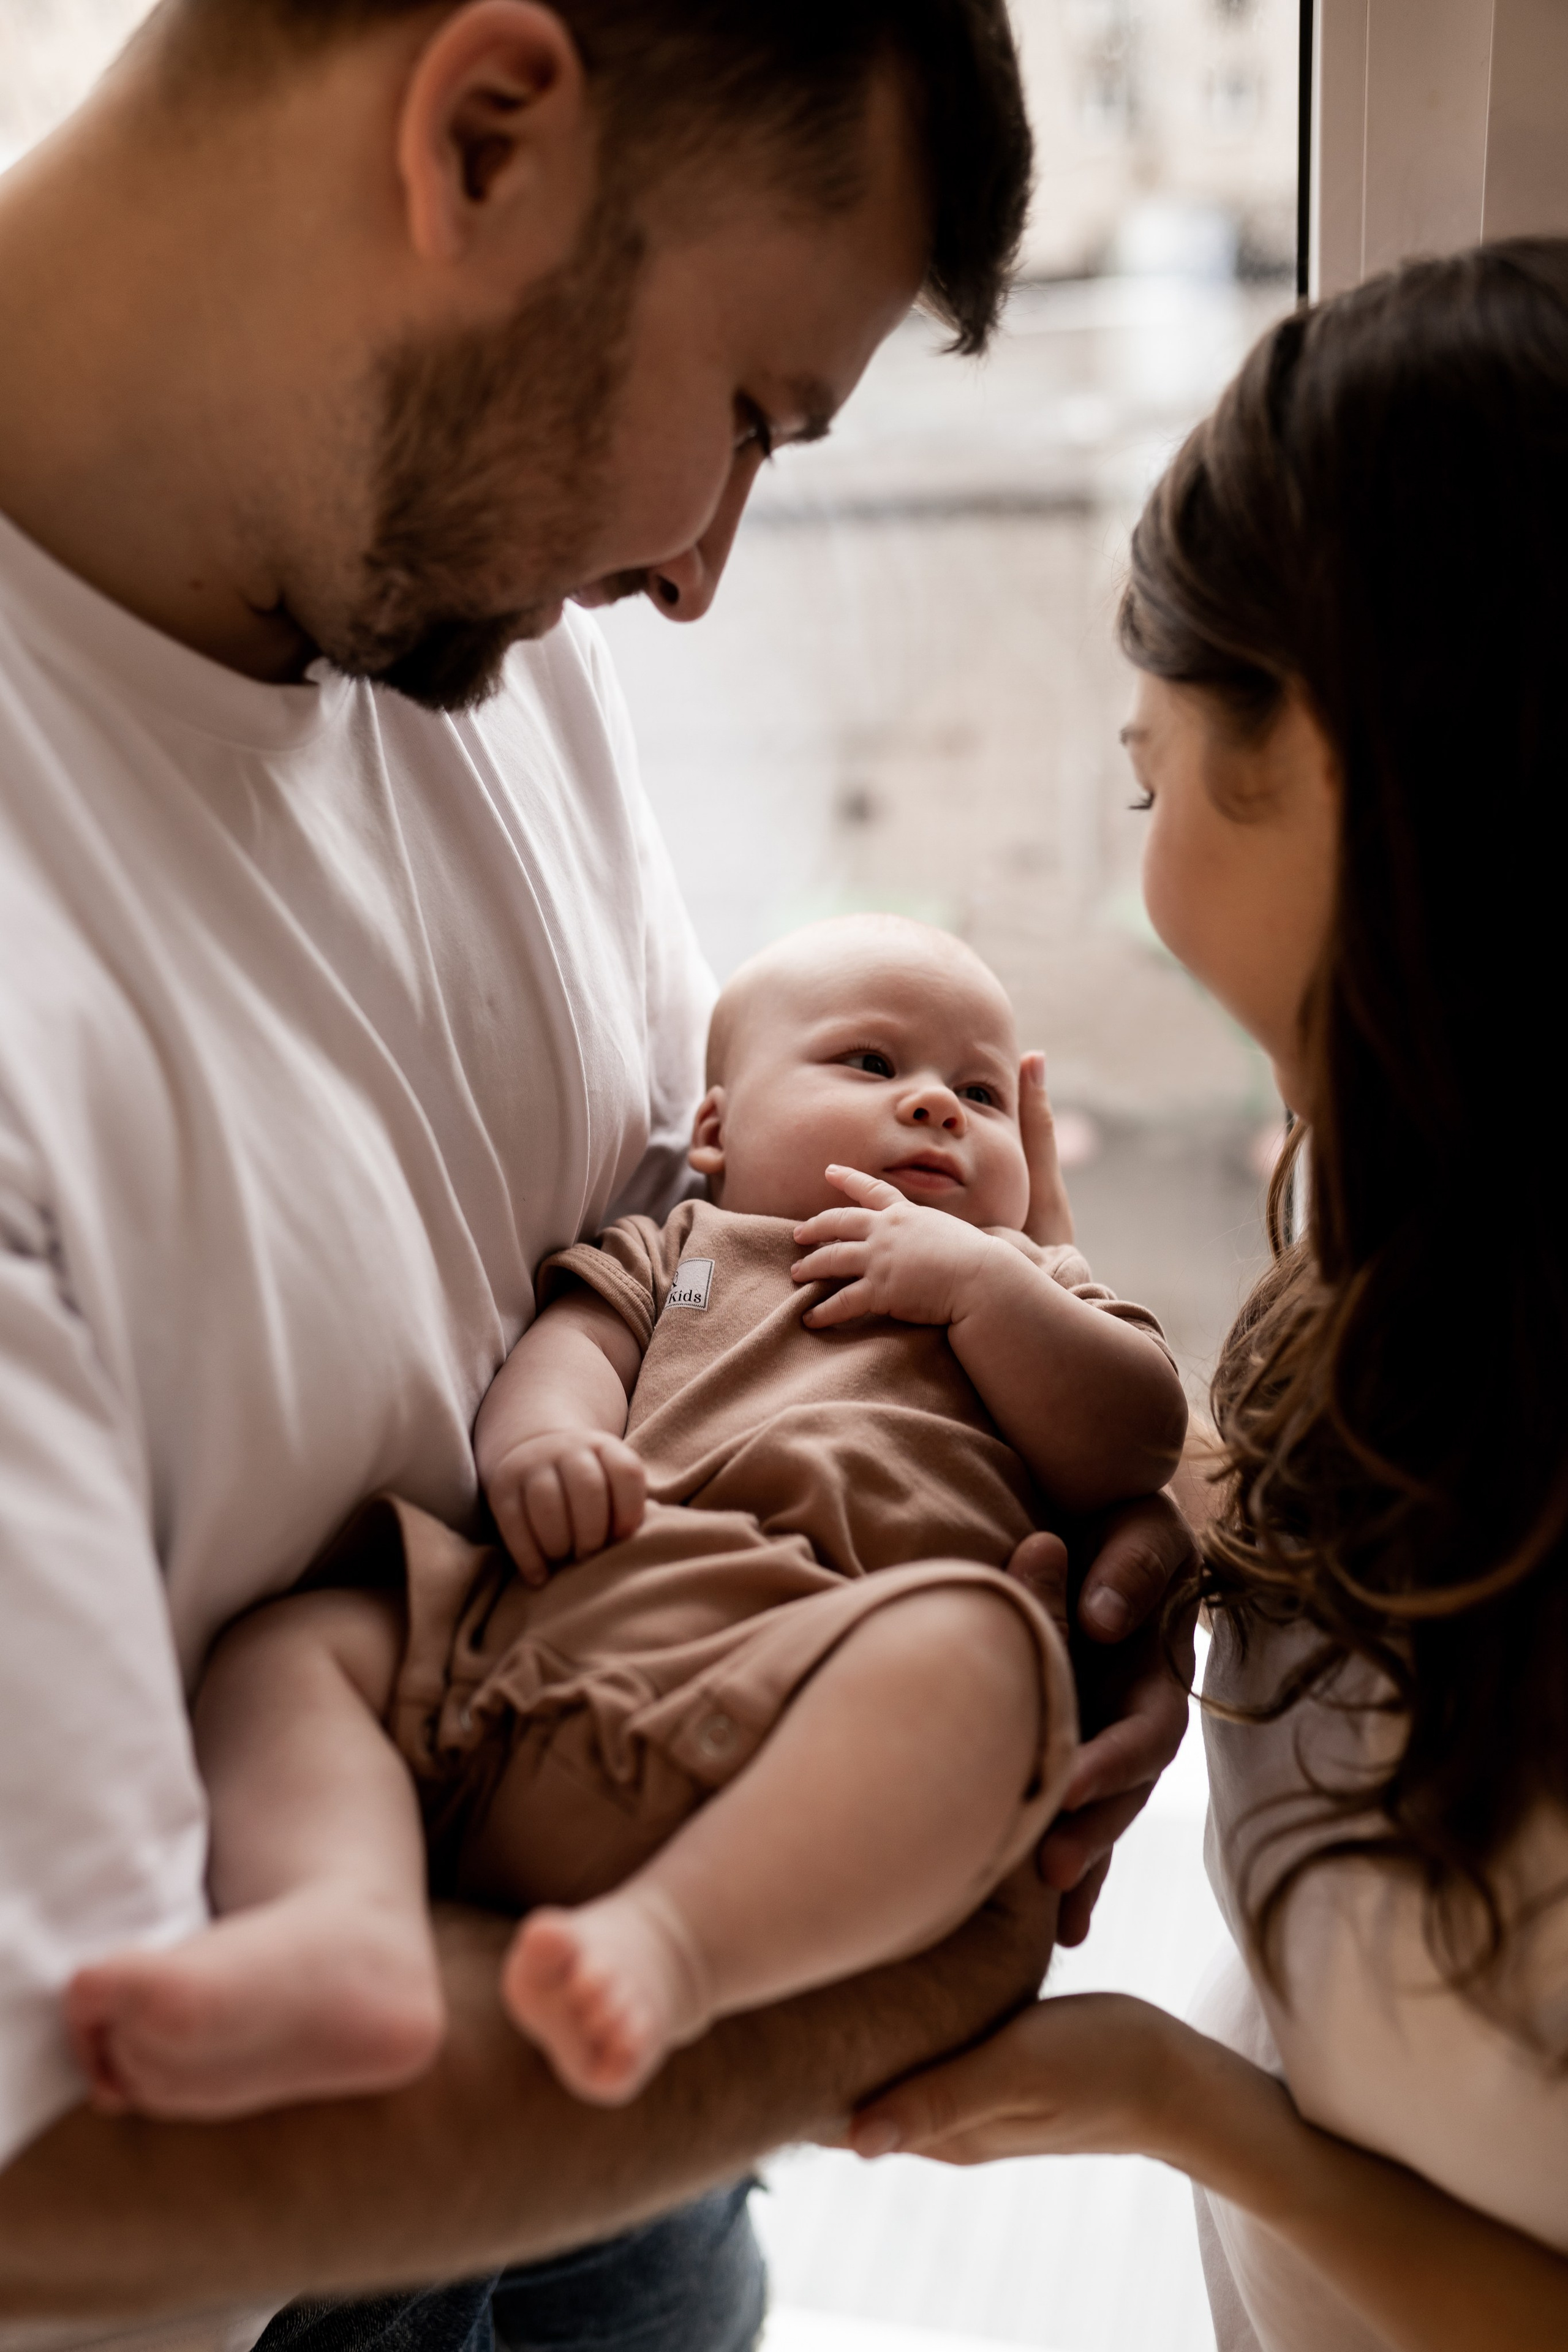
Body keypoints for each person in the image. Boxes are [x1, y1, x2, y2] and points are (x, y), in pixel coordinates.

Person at [0, 3, 1196, 2345]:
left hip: (632, 2189)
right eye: (748, 415)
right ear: (486, 136)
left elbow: (683, 1213)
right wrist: (930, 1921)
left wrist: (1079, 1533)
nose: (698, 580)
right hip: (292, 2232)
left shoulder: (438, 585)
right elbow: (57, 2163)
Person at [848, 241, 1568, 2350]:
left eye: (1153, 772)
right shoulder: (1405, 1227)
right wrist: (1165, 1525)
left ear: (1337, 754)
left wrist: (1184, 2104)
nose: (1136, 855)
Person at [66, 915, 1188, 2119]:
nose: (933, 1108)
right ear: (714, 1129)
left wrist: (986, 1282)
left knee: (988, 1660)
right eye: (868, 1065)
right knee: (292, 1652)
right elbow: (574, 1350)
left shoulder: (1028, 1286)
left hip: (820, 1691)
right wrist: (548, 1447)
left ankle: (668, 1950)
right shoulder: (687, 1254)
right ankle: (341, 1922)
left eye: (976, 1092)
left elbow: (1131, 1436)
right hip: (561, 1635)